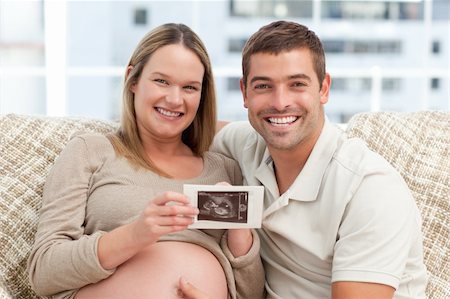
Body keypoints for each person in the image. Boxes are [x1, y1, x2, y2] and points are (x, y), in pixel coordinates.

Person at [27, 23, 264, 299]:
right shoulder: (90, 151)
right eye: (161, 81)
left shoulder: (226, 169)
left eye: (189, 87)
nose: (175, 99)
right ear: (133, 79)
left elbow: (252, 294)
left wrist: (240, 237)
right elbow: (43, 271)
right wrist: (135, 234)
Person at [207, 20, 427, 298]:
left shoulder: (370, 189)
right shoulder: (248, 144)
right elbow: (185, 130)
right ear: (244, 93)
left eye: (297, 84)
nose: (280, 102)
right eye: (263, 86)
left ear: (324, 89)